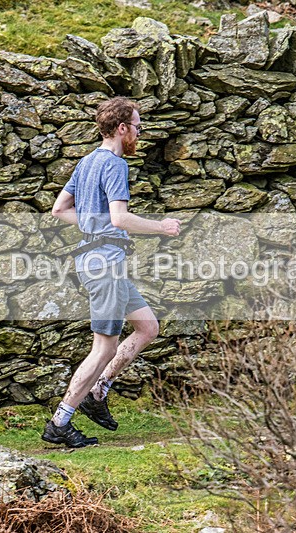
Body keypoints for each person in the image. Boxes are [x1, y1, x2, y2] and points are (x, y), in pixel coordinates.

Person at [42, 96, 181, 448]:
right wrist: (161, 227)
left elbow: (59, 209)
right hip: (104, 265)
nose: (139, 131)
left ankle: (98, 392)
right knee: (104, 348)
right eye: (137, 126)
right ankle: (61, 421)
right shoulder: (115, 165)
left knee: (148, 327)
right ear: (122, 128)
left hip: (101, 261)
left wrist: (94, 224)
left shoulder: (87, 162)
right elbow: (120, 219)